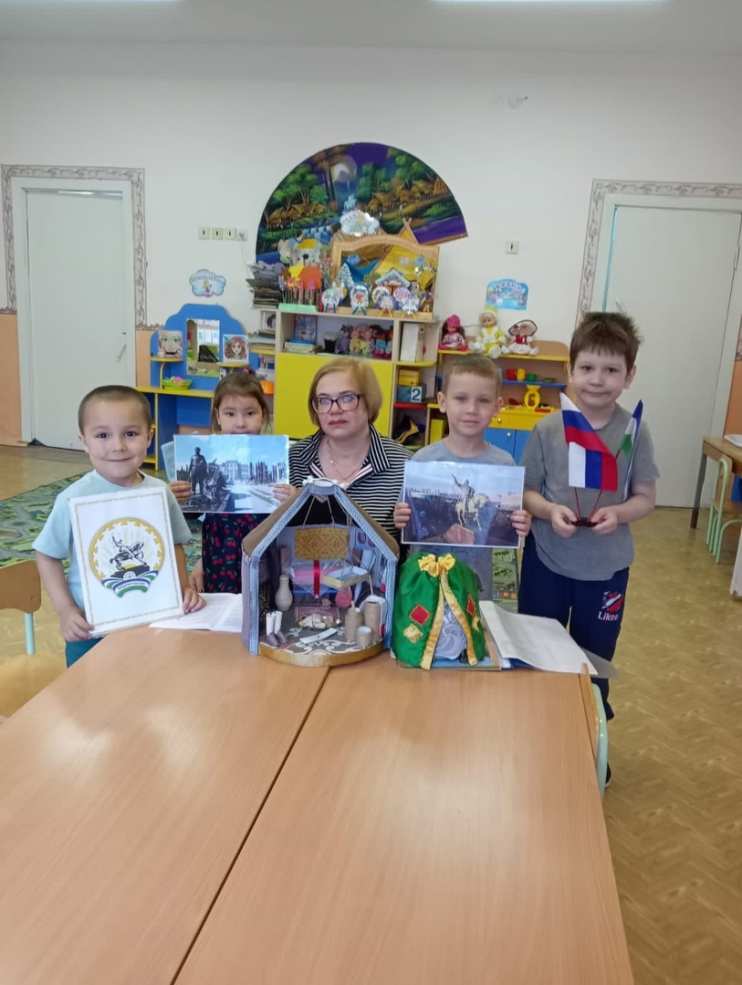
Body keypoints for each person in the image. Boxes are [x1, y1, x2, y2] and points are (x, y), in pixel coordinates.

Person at [518, 311, 658, 747]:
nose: (597, 379)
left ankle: (587, 744)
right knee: (538, 653)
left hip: (606, 570)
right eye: (588, 367)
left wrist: (619, 514)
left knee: (594, 660)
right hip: (546, 562)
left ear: (629, 375)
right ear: (571, 370)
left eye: (611, 370)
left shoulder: (634, 432)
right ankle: (536, 737)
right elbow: (526, 492)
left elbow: (645, 497)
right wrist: (548, 511)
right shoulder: (547, 429)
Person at [33, 385, 203, 667]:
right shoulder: (72, 499)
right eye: (102, 435)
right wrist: (65, 610)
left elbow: (174, 545)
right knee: (90, 691)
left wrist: (183, 589)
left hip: (156, 621)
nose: (118, 446)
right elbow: (47, 554)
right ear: (84, 441)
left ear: (149, 436)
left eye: (130, 434)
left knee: (154, 684)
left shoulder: (161, 492)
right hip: (92, 630)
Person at [393, 354, 531, 597]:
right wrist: (401, 517)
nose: (471, 409)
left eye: (483, 400)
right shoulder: (422, 461)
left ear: (497, 406)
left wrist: (519, 523)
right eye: (461, 398)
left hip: (476, 588)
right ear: (442, 401)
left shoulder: (504, 465)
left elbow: (503, 531)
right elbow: (408, 520)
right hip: (426, 586)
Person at [171, 370, 294, 592]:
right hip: (219, 550)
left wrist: (291, 499)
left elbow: (289, 519)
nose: (240, 423)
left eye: (250, 413)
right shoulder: (209, 453)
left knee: (263, 597)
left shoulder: (275, 456)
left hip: (263, 549)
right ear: (218, 417)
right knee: (222, 601)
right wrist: (180, 497)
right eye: (230, 414)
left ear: (263, 415)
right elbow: (192, 513)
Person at [289, 358, 411, 541]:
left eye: (347, 398)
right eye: (323, 400)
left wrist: (410, 527)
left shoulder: (405, 465)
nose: (334, 410)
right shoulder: (293, 459)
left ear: (369, 401)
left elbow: (419, 548)